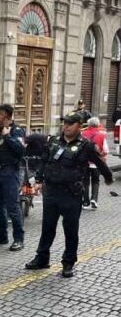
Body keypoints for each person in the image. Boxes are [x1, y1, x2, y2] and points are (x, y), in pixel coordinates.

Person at [25, 112, 113, 278]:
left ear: (79, 126)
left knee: (70, 230)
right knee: (47, 228)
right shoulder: (53, 142)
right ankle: (42, 258)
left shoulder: (86, 145)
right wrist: (38, 180)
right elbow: (44, 161)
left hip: (71, 194)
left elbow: (100, 162)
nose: (65, 126)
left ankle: (68, 263)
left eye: (70, 124)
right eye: (64, 123)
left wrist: (108, 177)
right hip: (51, 192)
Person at [0, 103, 26, 252]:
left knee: (13, 207)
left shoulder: (16, 131)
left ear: (6, 116)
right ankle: (1, 235)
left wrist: (8, 136)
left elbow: (21, 150)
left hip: (10, 173)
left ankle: (18, 239)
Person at [80, 117, 108, 210]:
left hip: (85, 163)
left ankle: (85, 202)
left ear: (88, 124)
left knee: (85, 182)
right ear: (98, 124)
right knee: (96, 181)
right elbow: (106, 150)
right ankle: (94, 199)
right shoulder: (102, 135)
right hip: (96, 163)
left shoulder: (82, 134)